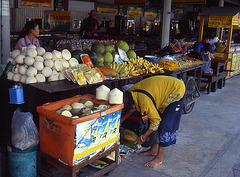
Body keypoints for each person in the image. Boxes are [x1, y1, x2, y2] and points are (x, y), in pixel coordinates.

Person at [123, 76, 186, 168]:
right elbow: (131, 110)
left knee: (165, 125)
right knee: (151, 121)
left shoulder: (144, 102)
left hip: (176, 90)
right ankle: (154, 149)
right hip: (163, 91)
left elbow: (156, 123)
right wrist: (121, 121)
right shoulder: (131, 93)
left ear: (133, 105)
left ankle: (159, 158)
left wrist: (143, 137)